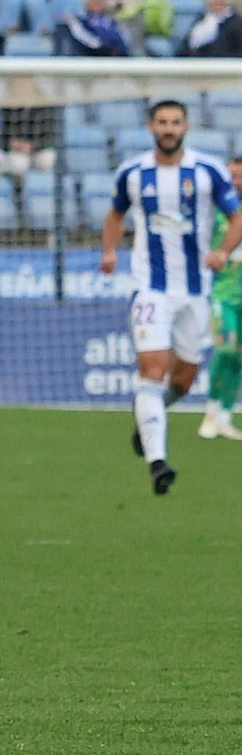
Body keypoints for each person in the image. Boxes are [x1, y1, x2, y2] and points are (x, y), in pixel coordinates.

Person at [101, 100, 242, 493]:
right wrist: (109, 251)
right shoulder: (132, 172)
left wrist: (223, 251)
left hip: (194, 290)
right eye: (162, 122)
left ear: (186, 127)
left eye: (175, 122)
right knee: (152, 370)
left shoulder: (207, 171)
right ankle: (158, 463)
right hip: (151, 288)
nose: (168, 129)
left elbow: (237, 218)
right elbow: (114, 214)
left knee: (185, 378)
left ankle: (149, 417)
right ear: (151, 127)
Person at [199, 156, 242, 440]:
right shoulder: (216, 213)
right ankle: (211, 411)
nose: (235, 181)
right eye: (232, 176)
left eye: (239, 176)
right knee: (225, 350)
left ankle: (226, 415)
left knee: (237, 356)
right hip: (222, 294)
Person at [63, 0, 128, 55]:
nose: (96, 2)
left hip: (113, 55)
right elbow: (86, 39)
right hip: (88, 55)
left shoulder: (111, 20)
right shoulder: (80, 20)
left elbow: (121, 39)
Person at [178, 0, 242, 58]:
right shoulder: (202, 20)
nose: (218, 6)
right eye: (215, 3)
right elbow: (187, 43)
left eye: (221, 3)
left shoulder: (236, 23)